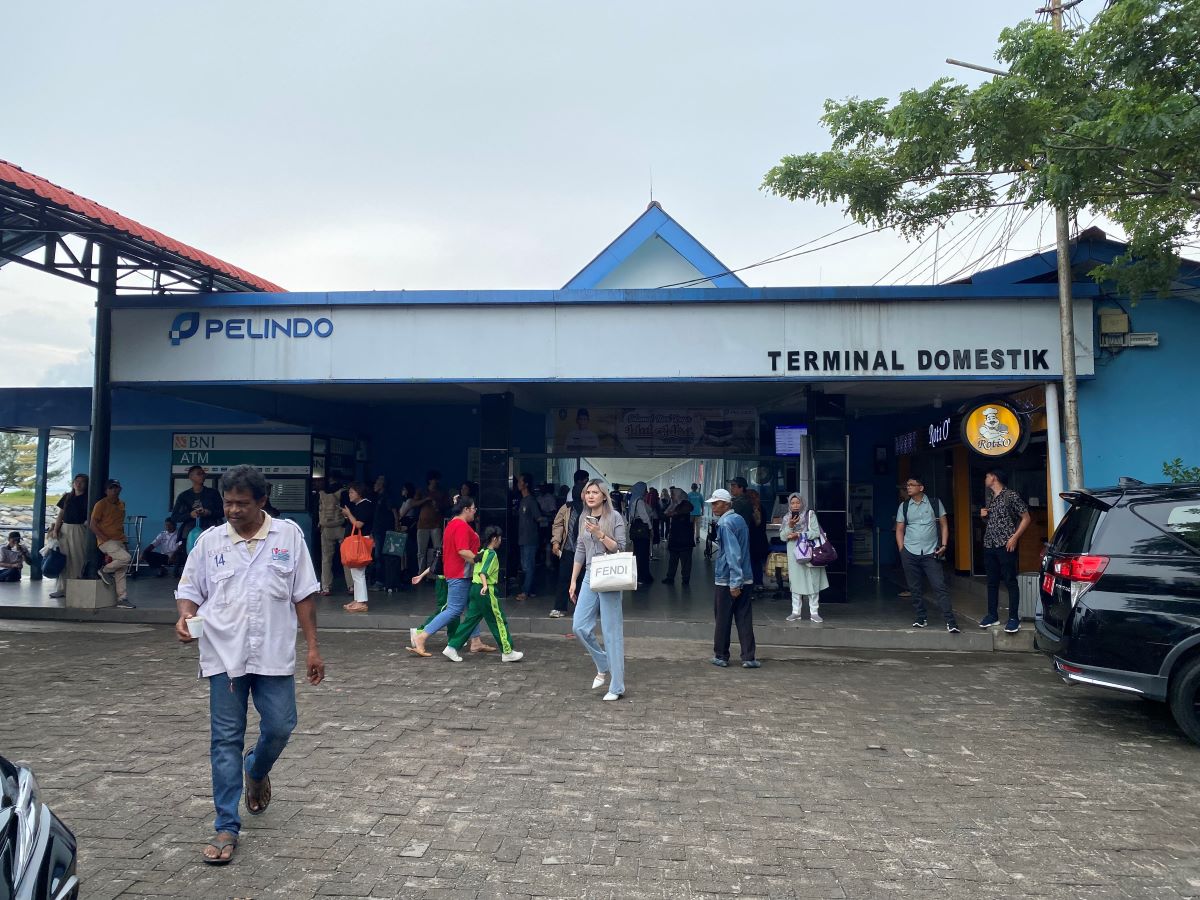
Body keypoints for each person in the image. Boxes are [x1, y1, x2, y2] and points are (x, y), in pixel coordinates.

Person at [173, 464, 324, 867]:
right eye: (228, 502)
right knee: (224, 739)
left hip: (273, 654)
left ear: (262, 500)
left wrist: (313, 648)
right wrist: (185, 615)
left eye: (242, 503)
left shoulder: (288, 537)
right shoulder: (209, 542)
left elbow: (304, 595)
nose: (233, 510)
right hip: (224, 655)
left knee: (280, 726)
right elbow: (189, 590)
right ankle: (226, 825)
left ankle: (255, 770)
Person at [569, 479, 628, 702]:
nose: (590, 496)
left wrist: (600, 534)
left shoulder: (615, 518)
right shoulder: (583, 518)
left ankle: (617, 686)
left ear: (604, 496)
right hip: (589, 575)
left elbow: (621, 547)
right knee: (579, 626)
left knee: (612, 631)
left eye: (595, 492)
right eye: (587, 492)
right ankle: (603, 663)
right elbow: (580, 550)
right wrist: (573, 580)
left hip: (610, 574)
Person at [443, 526, 524, 663]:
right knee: (498, 620)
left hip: (475, 589)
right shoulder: (491, 554)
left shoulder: (481, 552)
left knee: (470, 621)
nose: (500, 541)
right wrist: (486, 586)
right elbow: (483, 572)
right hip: (485, 590)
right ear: (494, 539)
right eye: (499, 538)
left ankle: (452, 647)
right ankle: (507, 651)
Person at [412, 498, 480, 656]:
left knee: (472, 606)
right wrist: (480, 560)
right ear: (466, 509)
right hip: (460, 574)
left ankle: (476, 641)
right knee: (454, 610)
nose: (475, 511)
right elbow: (463, 551)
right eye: (473, 508)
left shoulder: (452, 524)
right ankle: (422, 637)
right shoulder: (461, 526)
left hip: (456, 573)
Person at [895, 476, 959, 632]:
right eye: (907, 485)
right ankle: (921, 617)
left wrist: (944, 545)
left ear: (921, 488)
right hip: (910, 552)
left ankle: (951, 621)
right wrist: (902, 550)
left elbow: (944, 525)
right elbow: (899, 529)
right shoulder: (904, 506)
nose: (908, 487)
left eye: (911, 485)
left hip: (931, 552)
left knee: (939, 586)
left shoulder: (934, 504)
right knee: (914, 588)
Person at [707, 488, 759, 668]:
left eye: (717, 503)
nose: (714, 507)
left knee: (723, 618)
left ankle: (721, 655)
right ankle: (749, 657)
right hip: (746, 576)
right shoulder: (739, 520)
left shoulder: (725, 524)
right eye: (713, 503)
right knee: (744, 618)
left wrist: (734, 583)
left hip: (728, 579)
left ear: (727, 503)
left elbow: (732, 554)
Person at [407, 549, 493, 655]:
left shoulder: (453, 548)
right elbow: (436, 564)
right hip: (448, 582)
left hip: (455, 580)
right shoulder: (453, 550)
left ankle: (474, 640)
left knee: (465, 610)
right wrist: (421, 576)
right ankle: (421, 633)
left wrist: (421, 576)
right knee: (449, 610)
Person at [979, 467, 1032, 633]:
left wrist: (1015, 537)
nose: (985, 479)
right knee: (992, 582)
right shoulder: (990, 497)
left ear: (994, 477)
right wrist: (983, 516)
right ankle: (992, 615)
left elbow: (1026, 517)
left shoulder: (1011, 496)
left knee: (1010, 581)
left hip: (1005, 544)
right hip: (989, 544)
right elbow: (992, 522)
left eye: (987, 475)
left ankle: (1014, 618)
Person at [778, 493, 829, 622]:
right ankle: (796, 612)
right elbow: (783, 537)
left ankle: (814, 612)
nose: (795, 505)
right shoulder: (786, 518)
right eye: (792, 503)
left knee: (812, 582)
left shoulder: (809, 515)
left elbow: (816, 532)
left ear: (802, 503)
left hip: (809, 552)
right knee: (795, 583)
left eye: (797, 502)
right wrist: (790, 526)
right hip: (795, 554)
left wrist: (799, 535)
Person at [550, 470, 589, 618]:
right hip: (568, 549)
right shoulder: (567, 508)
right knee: (564, 578)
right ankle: (559, 608)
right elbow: (558, 524)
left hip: (586, 551)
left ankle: (582, 608)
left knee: (584, 580)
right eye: (584, 492)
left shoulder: (591, 509)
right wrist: (556, 542)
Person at [90, 479, 133, 608]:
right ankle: (105, 570)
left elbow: (120, 525)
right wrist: (104, 539)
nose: (114, 490)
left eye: (116, 488)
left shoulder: (122, 504)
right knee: (126, 558)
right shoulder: (101, 504)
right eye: (111, 488)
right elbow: (93, 525)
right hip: (106, 541)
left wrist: (124, 542)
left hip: (119, 540)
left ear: (120, 489)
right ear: (106, 491)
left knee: (121, 569)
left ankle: (122, 598)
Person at [171, 465, 224, 564]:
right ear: (191, 477)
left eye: (203, 473)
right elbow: (175, 517)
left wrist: (209, 512)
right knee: (192, 561)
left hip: (210, 531)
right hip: (190, 533)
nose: (202, 475)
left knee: (211, 560)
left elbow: (222, 512)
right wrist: (190, 515)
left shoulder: (213, 493)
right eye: (199, 474)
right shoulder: (184, 496)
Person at [47, 473, 88, 598]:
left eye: (82, 481)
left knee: (77, 557)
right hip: (65, 528)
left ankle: (77, 586)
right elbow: (61, 514)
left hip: (79, 528)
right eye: (76, 481)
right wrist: (56, 530)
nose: (78, 483)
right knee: (63, 557)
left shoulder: (88, 498)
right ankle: (62, 588)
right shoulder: (67, 496)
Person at [341, 482, 375, 613]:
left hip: (360, 542)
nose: (349, 494)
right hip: (358, 541)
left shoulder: (366, 505)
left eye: (351, 492)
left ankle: (361, 602)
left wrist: (348, 514)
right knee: (355, 573)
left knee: (358, 573)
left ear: (359, 493)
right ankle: (357, 599)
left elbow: (359, 524)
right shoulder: (360, 505)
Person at [515, 473, 544, 601]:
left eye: (520, 481)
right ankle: (531, 590)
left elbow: (539, 518)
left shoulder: (531, 501)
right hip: (523, 538)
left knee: (529, 565)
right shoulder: (522, 500)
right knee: (525, 565)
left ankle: (526, 591)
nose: (518, 484)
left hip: (530, 538)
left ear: (525, 484)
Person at [413, 471, 449, 573]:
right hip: (422, 525)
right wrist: (426, 499)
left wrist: (438, 505)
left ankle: (435, 571)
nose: (436, 481)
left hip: (436, 524)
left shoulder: (441, 492)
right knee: (421, 551)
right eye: (434, 479)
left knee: (437, 549)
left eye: (437, 479)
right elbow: (414, 503)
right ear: (429, 480)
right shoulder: (422, 491)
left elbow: (447, 505)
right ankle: (421, 572)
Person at [660, 487, 695, 586]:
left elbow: (689, 508)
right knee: (673, 560)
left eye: (673, 495)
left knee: (686, 561)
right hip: (675, 537)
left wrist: (674, 513)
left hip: (685, 538)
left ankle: (685, 579)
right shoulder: (673, 504)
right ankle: (670, 577)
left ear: (678, 495)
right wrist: (669, 513)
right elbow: (664, 514)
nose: (671, 496)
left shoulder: (685, 503)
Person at [625, 481, 653, 587]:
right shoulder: (639, 501)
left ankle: (637, 575)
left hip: (636, 530)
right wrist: (650, 528)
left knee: (637, 553)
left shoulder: (633, 501)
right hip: (642, 530)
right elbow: (644, 517)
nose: (646, 491)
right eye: (645, 489)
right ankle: (642, 576)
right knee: (643, 554)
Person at [746, 489, 769, 591]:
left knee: (752, 562)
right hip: (761, 539)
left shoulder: (753, 509)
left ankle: (753, 583)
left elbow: (757, 522)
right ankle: (758, 583)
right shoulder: (762, 508)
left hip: (753, 539)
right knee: (757, 563)